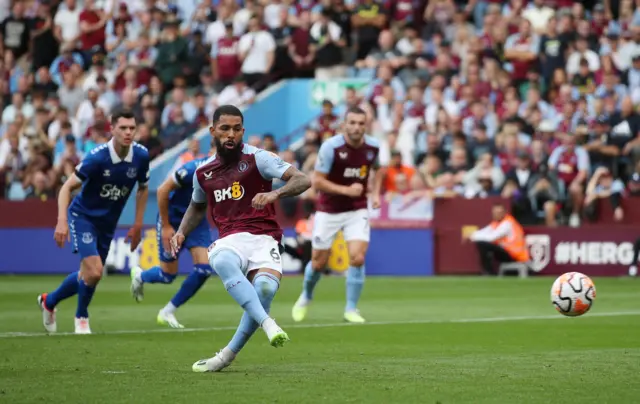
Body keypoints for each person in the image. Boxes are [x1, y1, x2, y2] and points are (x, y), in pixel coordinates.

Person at [170, 105, 311, 372]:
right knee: (221, 259)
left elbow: (303, 180)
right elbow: (197, 206)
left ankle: (225, 356)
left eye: (236, 128)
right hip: (230, 239)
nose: (230, 134)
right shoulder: (203, 173)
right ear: (212, 131)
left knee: (266, 290)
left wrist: (274, 194)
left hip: (265, 238)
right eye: (224, 128)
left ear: (243, 130)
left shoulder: (259, 159)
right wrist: (180, 232)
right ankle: (268, 324)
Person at [37, 110, 150, 334]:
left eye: (132, 128)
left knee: (87, 274)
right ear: (112, 129)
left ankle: (49, 301)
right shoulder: (97, 157)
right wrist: (61, 221)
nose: (128, 132)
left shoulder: (141, 156)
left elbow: (143, 188)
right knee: (96, 271)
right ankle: (81, 317)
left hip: (108, 224)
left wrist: (138, 224)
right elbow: (66, 188)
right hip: (83, 217)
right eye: (123, 128)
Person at [291, 106, 382, 324]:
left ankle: (351, 308)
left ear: (365, 125)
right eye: (352, 122)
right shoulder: (331, 147)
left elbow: (378, 169)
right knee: (318, 262)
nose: (357, 127)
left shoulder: (373, 147)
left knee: (357, 258)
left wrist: (376, 192)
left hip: (357, 209)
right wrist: (346, 190)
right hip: (329, 210)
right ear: (344, 124)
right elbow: (318, 180)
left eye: (361, 123)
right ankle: (306, 295)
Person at [129, 140, 216, 329]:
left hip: (196, 221)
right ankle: (141, 276)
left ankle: (167, 311)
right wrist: (166, 226)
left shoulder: (229, 172)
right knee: (168, 275)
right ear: (211, 151)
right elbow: (162, 190)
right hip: (173, 220)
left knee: (204, 269)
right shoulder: (193, 168)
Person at [465, 204, 530, 276]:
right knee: (481, 243)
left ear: (505, 213)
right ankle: (487, 271)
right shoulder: (496, 223)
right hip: (508, 252)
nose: (496, 215)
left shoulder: (507, 223)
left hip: (515, 255)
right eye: (495, 213)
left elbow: (492, 237)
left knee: (482, 244)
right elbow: (484, 232)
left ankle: (489, 272)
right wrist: (472, 235)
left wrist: (472, 237)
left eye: (499, 213)